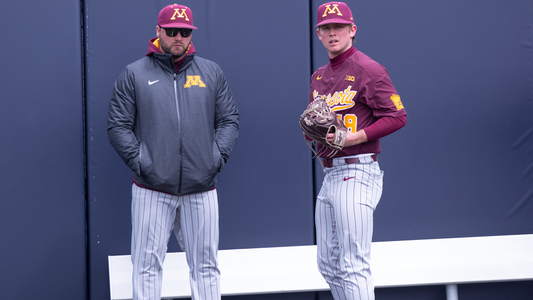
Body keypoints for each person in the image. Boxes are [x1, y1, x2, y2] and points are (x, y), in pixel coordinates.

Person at [107, 4, 239, 300]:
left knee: (205, 267)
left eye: (185, 32)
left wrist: (215, 158)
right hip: (152, 187)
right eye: (171, 31)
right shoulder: (135, 74)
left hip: (201, 188)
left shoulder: (210, 71)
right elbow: (118, 126)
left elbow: (229, 120)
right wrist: (142, 163)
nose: (178, 37)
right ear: (158, 32)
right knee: (146, 267)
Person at [307, 2, 407, 299]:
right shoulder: (318, 77)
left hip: (358, 169)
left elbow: (397, 116)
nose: (332, 32)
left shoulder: (369, 68)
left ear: (352, 30)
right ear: (319, 34)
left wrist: (353, 138)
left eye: (338, 26)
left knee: (353, 263)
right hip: (330, 174)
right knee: (328, 263)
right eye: (326, 27)